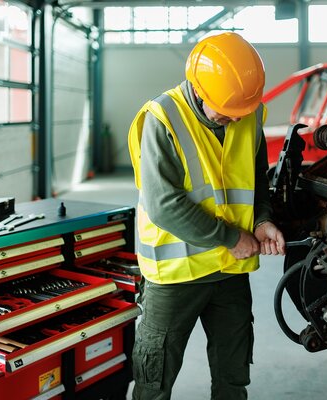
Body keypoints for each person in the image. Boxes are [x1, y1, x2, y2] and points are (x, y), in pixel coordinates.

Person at [127, 32, 286, 400]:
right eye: (226, 113)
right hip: (175, 277)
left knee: (233, 376)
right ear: (199, 90)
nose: (233, 121)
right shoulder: (162, 119)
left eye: (239, 114)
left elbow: (257, 183)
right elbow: (164, 205)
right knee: (155, 379)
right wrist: (233, 237)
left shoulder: (246, 113)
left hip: (229, 272)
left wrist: (262, 221)